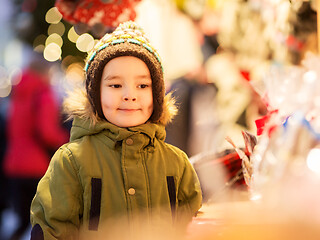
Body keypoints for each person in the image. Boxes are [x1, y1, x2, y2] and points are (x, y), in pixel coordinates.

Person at [30, 21, 202, 240]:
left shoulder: (176, 162)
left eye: (142, 85)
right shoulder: (71, 161)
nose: (130, 95)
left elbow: (192, 226)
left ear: (157, 94)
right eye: (115, 85)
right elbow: (52, 230)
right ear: (95, 94)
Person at [3, 52, 69, 240]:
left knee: (22, 219)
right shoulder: (43, 93)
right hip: (37, 166)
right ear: (46, 72)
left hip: (14, 164)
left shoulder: (18, 93)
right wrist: (67, 140)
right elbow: (47, 133)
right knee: (43, 222)